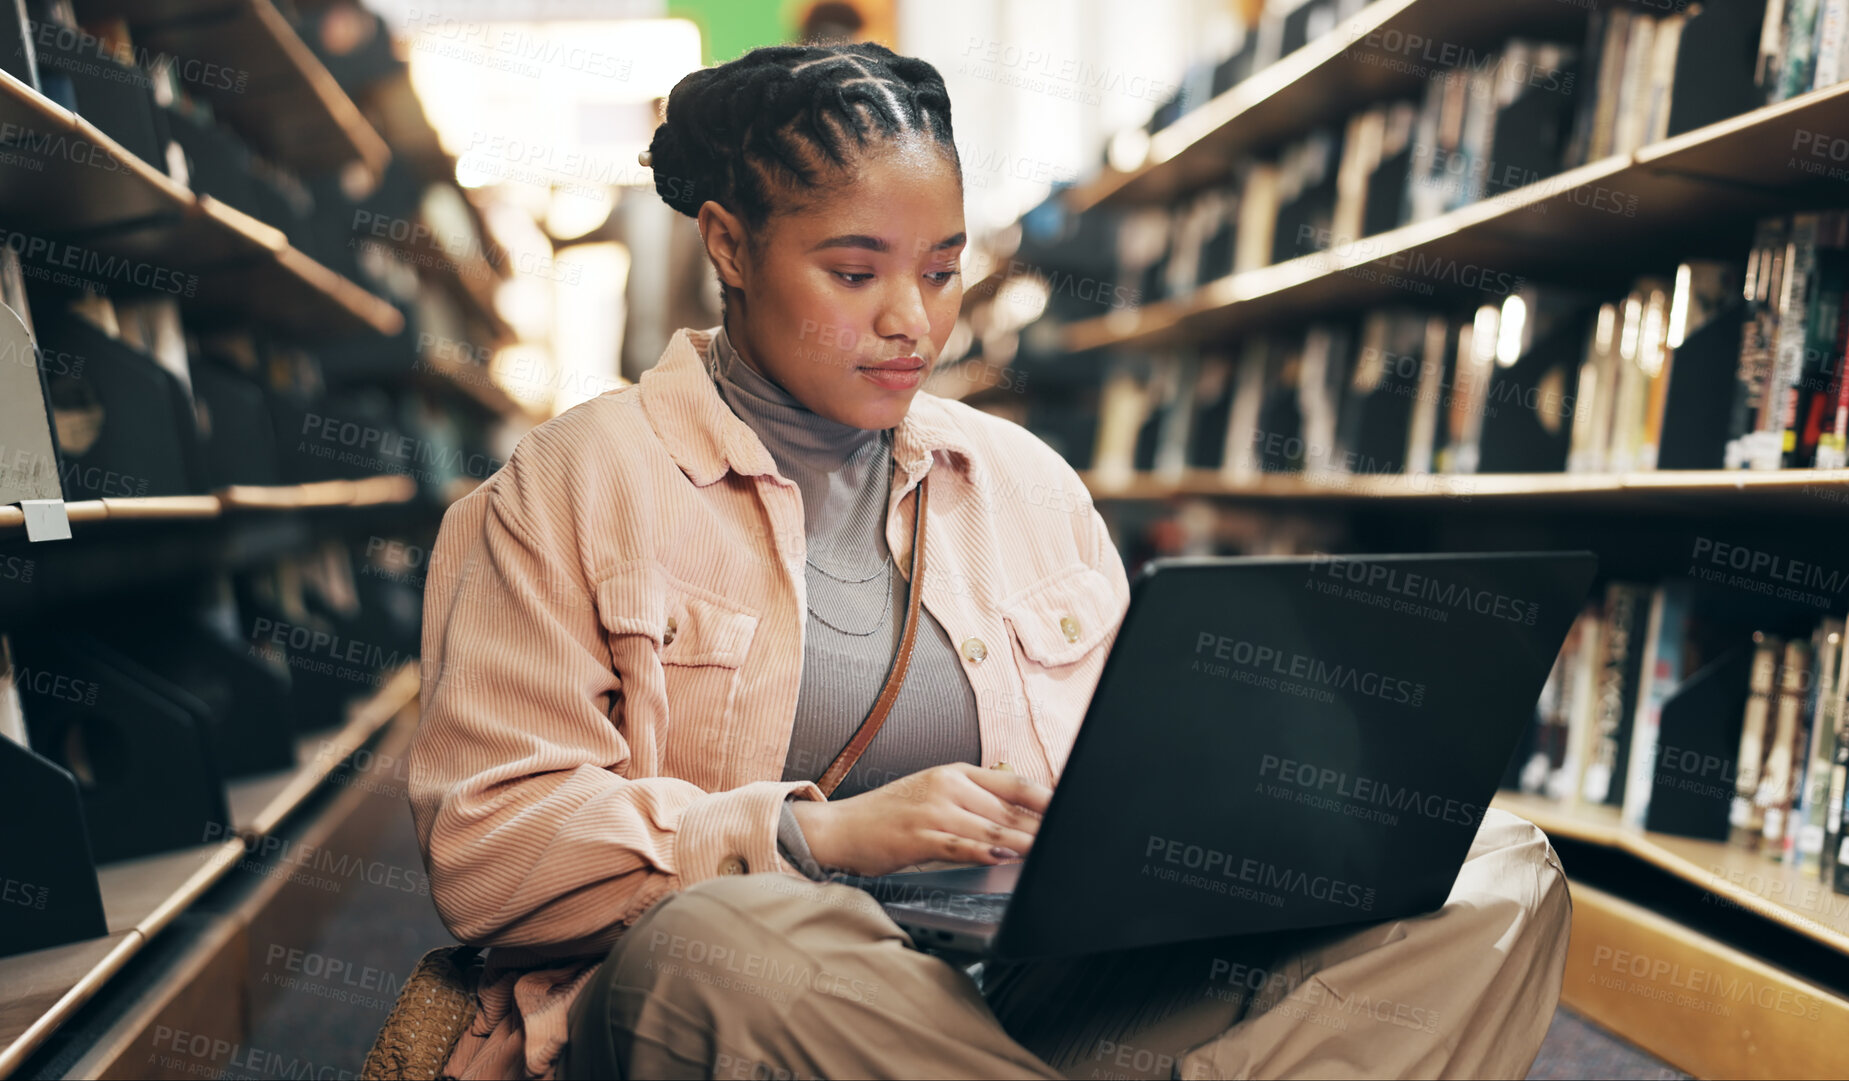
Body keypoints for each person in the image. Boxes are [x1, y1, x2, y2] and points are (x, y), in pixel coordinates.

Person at [406, 41, 1570, 1081]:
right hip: (778, 1006)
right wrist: (814, 835)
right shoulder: (564, 489)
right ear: (729, 245)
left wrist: (1261, 811)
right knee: (728, 945)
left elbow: (1135, 770)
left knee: (1493, 866)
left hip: (1020, 989)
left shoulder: (1024, 483)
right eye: (856, 274)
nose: (913, 320)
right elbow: (492, 853)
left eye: (943, 270)